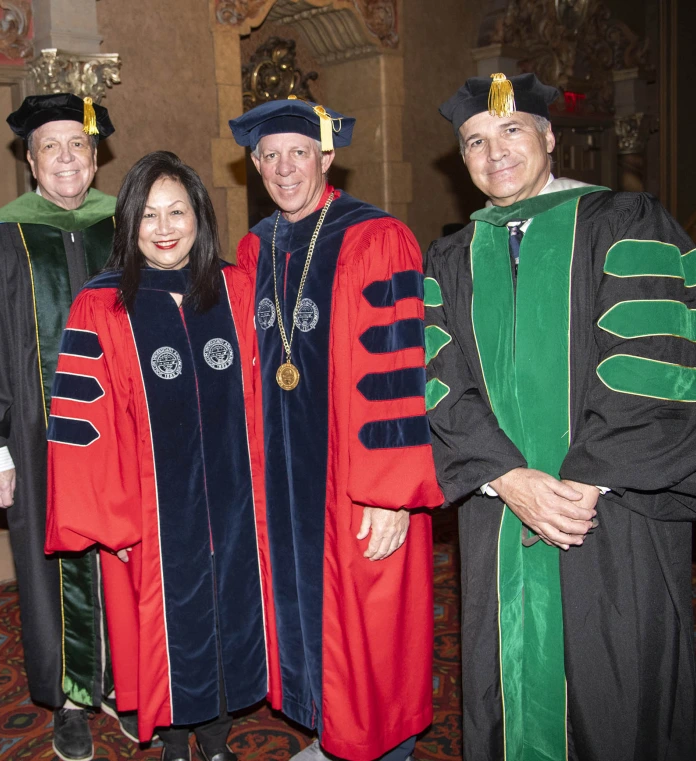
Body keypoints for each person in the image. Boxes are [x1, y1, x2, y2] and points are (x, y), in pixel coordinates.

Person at [427, 72, 696, 760]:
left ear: (548, 136)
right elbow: (436, 381)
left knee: (618, 688)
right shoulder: (451, 257)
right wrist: (507, 477)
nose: (494, 152)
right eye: (475, 141)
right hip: (500, 512)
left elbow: (660, 358)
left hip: (609, 513)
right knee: (507, 683)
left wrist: (580, 484)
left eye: (511, 131)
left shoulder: (626, 223)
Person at [229, 97, 445, 761]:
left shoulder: (375, 237)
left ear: (328, 157)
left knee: (371, 620)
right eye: (270, 156)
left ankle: (385, 749)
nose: (285, 167)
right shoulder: (255, 247)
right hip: (285, 482)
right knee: (304, 614)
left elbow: (400, 370)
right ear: (255, 164)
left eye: (300, 152)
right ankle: (334, 733)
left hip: (357, 478)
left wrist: (390, 492)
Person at [45, 150, 276, 761]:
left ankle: (219, 737)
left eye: (178, 211)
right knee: (163, 630)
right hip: (149, 514)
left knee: (232, 615)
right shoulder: (101, 305)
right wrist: (112, 522)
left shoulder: (235, 290)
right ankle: (175, 741)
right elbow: (82, 426)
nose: (166, 227)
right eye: (149, 215)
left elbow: (264, 398)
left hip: (234, 505)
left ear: (200, 217)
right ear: (128, 223)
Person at [0, 93, 131, 760]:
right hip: (36, 438)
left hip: (128, 437)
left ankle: (128, 683)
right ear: (30, 159)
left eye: (80, 144)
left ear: (98, 155)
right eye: (52, 146)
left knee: (129, 560)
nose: (68, 158)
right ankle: (71, 698)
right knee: (52, 565)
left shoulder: (131, 225)